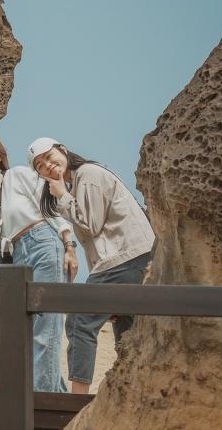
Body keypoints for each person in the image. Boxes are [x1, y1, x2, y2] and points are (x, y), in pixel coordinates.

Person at [29, 137, 155, 394]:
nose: (48, 166)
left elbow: (91, 224)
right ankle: (129, 391)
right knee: (126, 328)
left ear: (62, 150)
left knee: (79, 320)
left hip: (126, 258)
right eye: (40, 165)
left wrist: (62, 196)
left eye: (49, 157)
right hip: (130, 259)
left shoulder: (88, 174)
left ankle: (77, 401)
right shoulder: (78, 181)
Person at [0, 131, 79, 393]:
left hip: (43, 242)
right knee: (24, 336)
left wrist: (69, 245)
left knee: (46, 327)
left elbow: (50, 208)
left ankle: (41, 404)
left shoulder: (19, 175)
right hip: (15, 257)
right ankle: (56, 402)